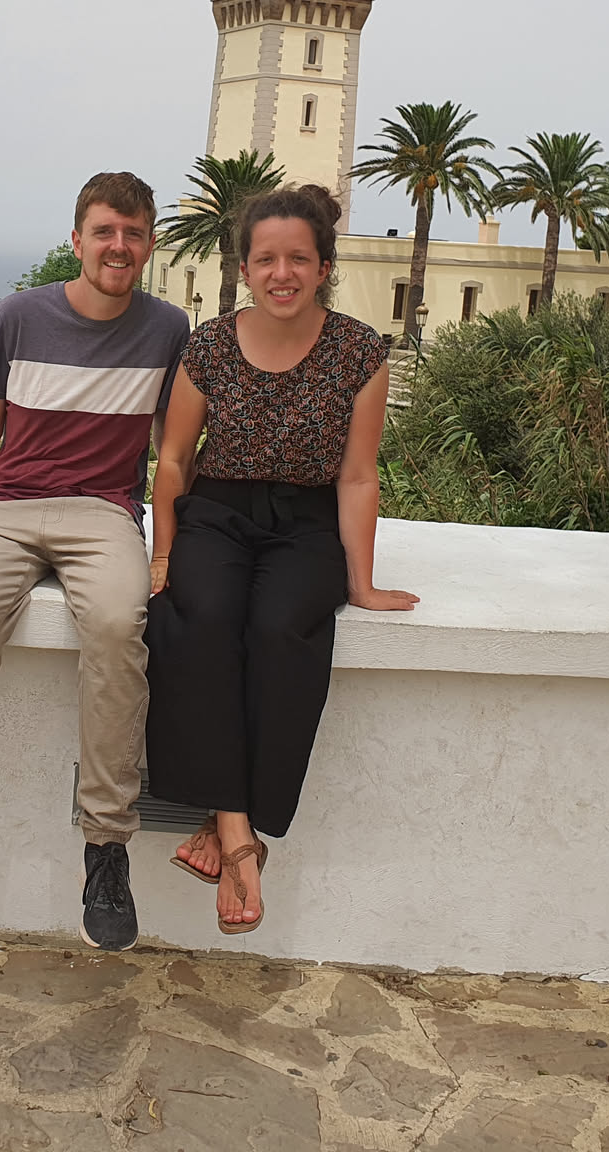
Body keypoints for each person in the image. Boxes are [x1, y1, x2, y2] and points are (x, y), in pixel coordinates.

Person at [0, 172, 189, 964]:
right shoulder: (21, 314)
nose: (118, 246)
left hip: (103, 513)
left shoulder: (169, 329)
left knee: (119, 628)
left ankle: (106, 847)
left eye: (132, 233)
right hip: (8, 507)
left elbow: (174, 451)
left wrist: (169, 549)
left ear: (149, 244)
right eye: (104, 231)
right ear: (77, 239)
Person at [143, 184, 418, 934]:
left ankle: (226, 821)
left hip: (307, 522)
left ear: (324, 266)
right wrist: (164, 552)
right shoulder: (209, 345)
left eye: (298, 258)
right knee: (200, 616)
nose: (282, 273)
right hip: (218, 511)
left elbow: (357, 475)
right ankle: (239, 832)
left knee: (282, 629)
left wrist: (363, 583)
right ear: (245, 268)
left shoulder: (359, 352)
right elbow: (174, 459)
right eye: (266, 259)